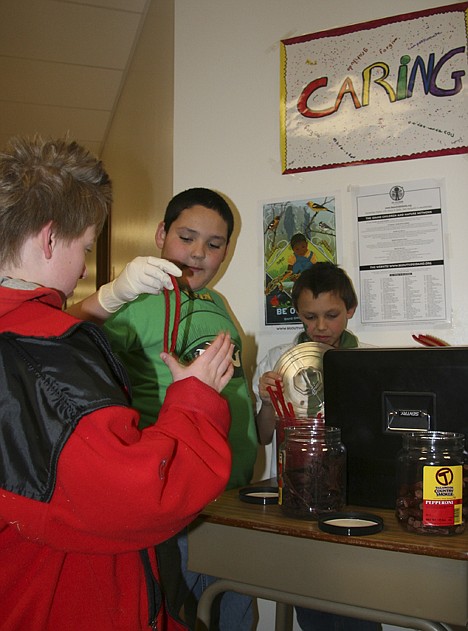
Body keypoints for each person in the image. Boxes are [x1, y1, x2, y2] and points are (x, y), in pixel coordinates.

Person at [0, 136, 236, 631]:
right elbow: (141, 499)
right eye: (84, 247)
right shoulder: (46, 353)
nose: (84, 266)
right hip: (68, 600)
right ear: (48, 239)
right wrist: (195, 401)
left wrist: (105, 299)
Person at [93, 188, 257, 630]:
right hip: (176, 499)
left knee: (236, 618)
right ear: (161, 233)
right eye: (187, 237)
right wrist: (110, 297)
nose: (199, 253)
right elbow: (59, 337)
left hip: (233, 499)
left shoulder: (219, 305)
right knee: (180, 616)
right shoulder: (131, 302)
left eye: (215, 244)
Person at [254, 262, 381, 631]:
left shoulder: (371, 359)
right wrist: (266, 401)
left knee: (359, 594)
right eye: (310, 317)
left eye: (332, 315)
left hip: (356, 492)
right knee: (315, 594)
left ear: (350, 311)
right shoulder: (277, 358)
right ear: (298, 314)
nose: (320, 327)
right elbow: (263, 437)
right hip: (298, 492)